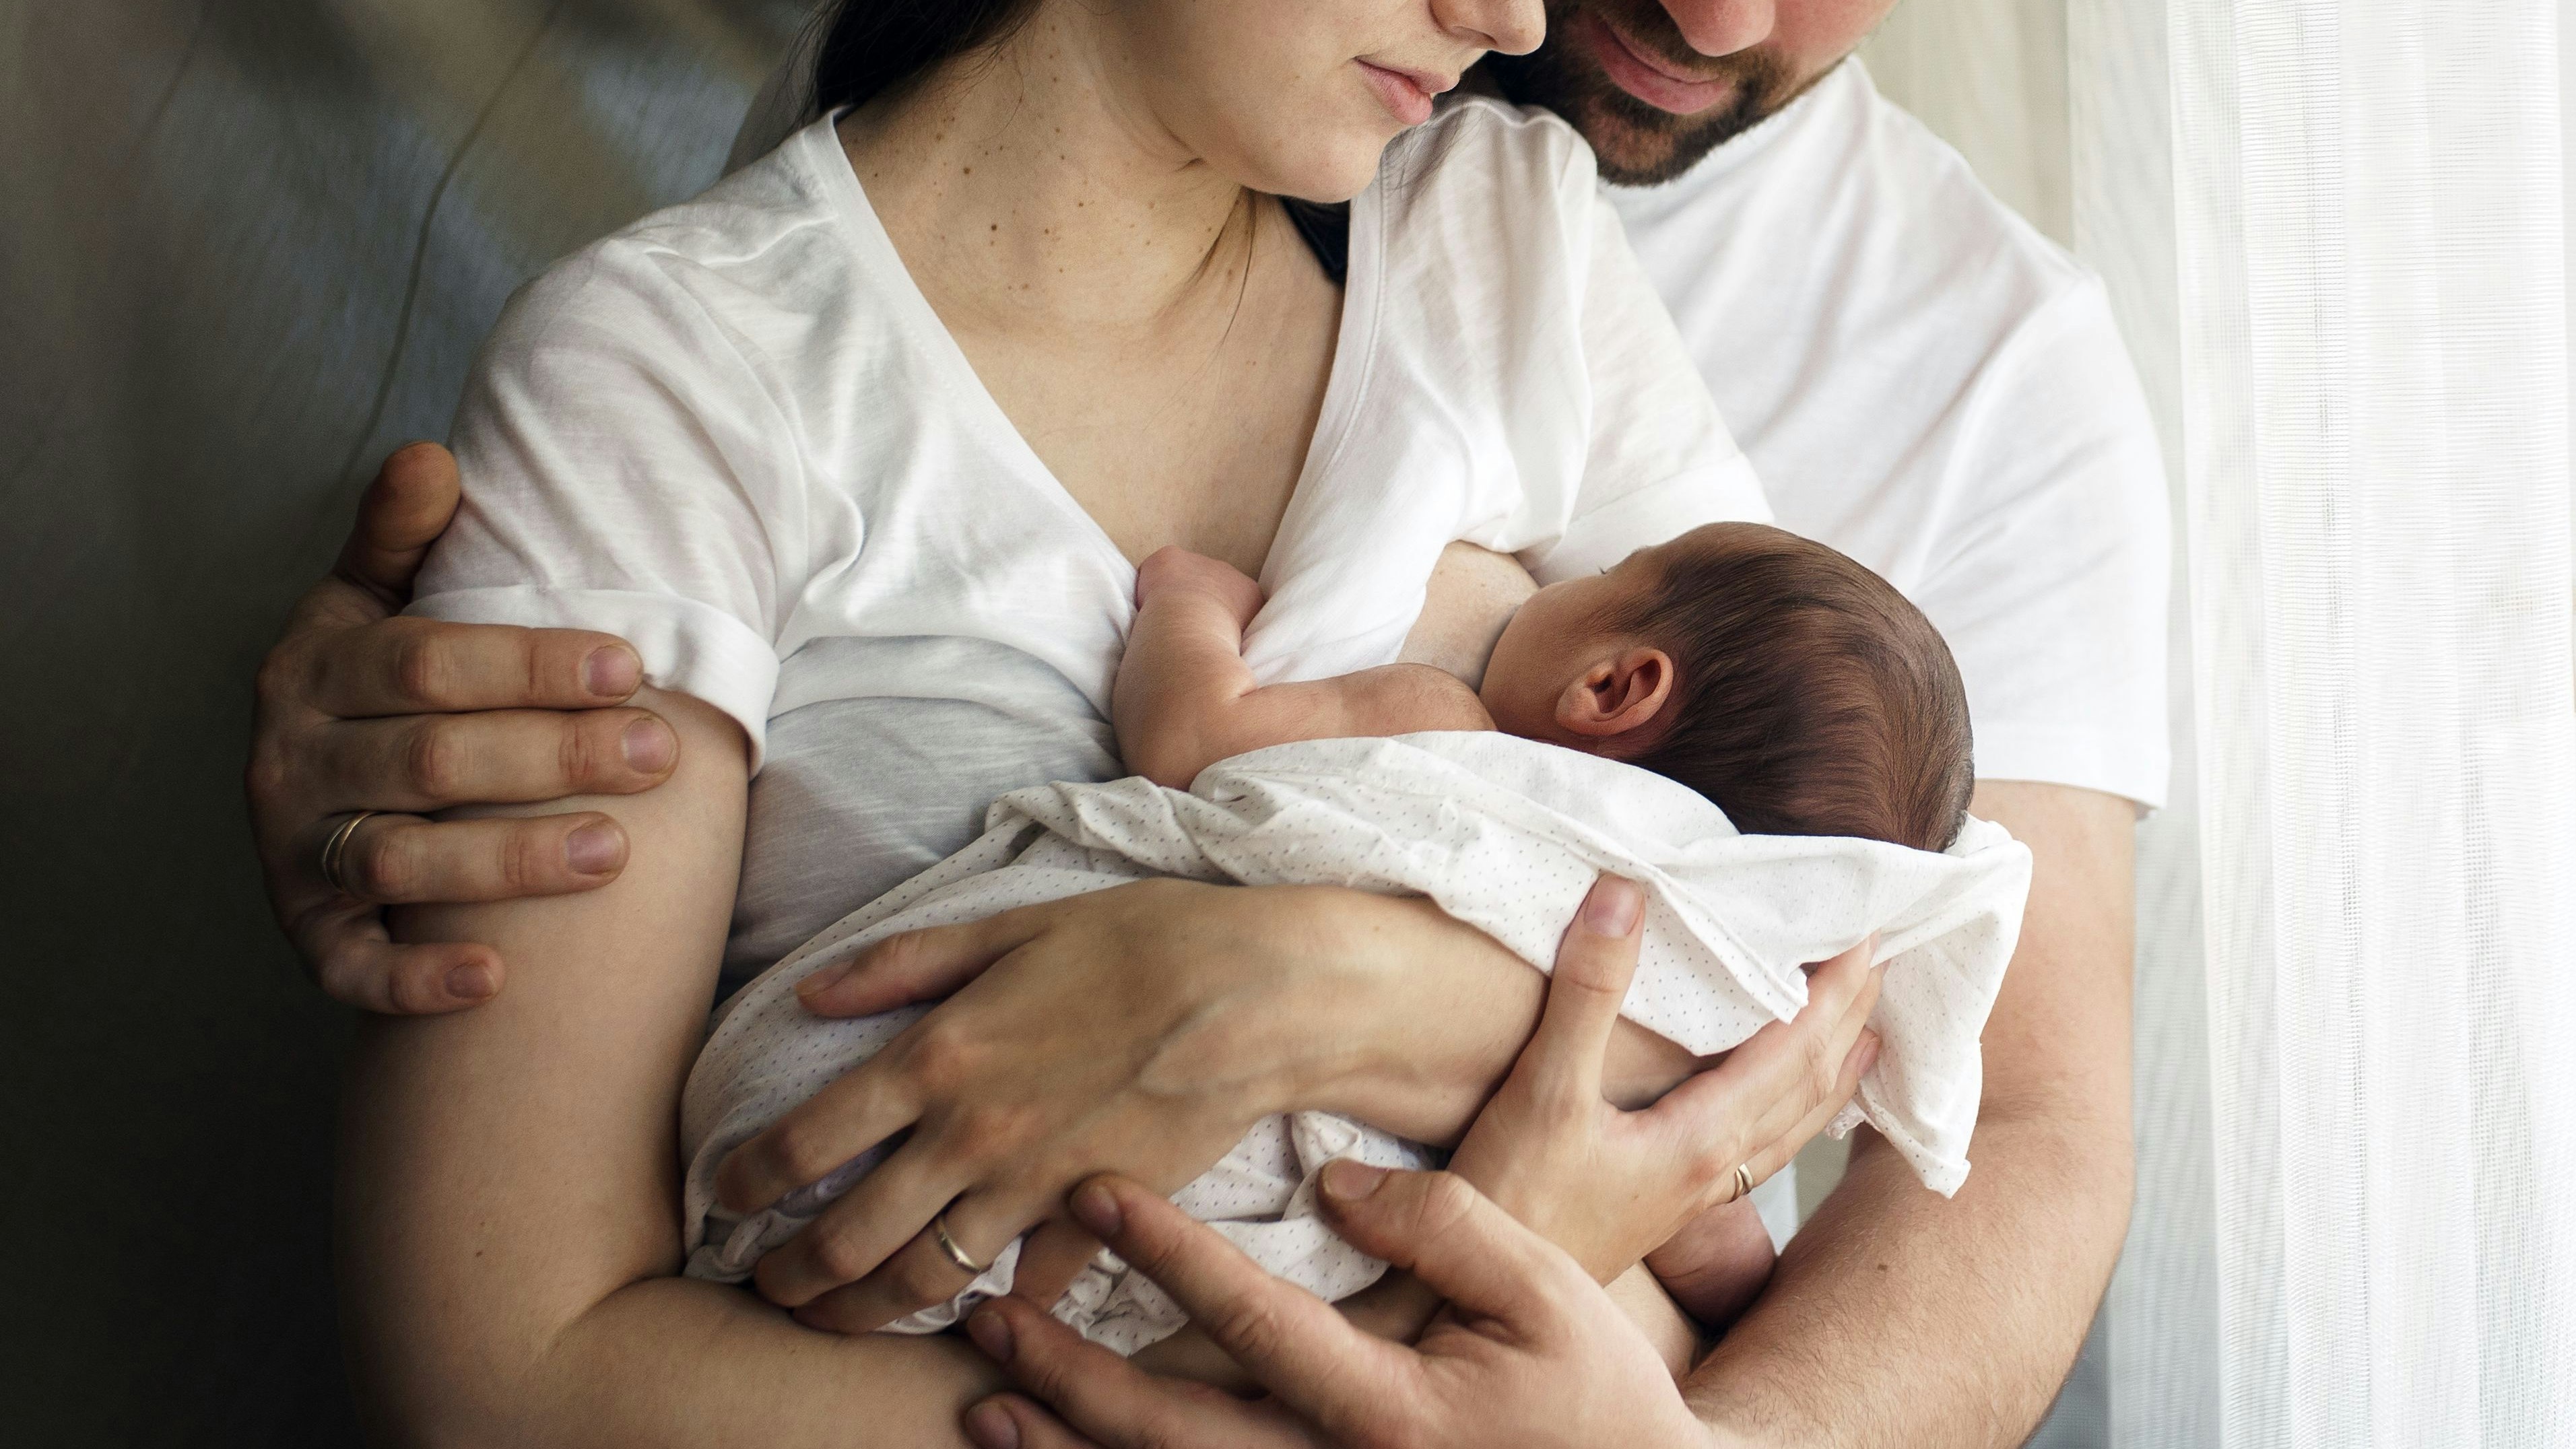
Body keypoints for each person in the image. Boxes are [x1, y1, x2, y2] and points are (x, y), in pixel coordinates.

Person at [252, 2, 2165, 1444]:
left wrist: (1323, 981)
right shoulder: (678, 380)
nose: (1517, 14)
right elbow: (510, 1361)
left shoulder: (1510, 239)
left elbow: (1825, 970)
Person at [1115, 522, 1974, 852]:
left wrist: (1193, 605)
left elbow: (1188, 740)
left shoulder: (1440, 723)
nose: (1550, 572)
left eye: (1613, 568)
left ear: (1610, 688)